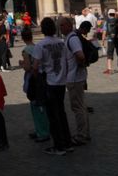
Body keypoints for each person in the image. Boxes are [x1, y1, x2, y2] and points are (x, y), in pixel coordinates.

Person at [33, 17, 71, 156]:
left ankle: (59, 147)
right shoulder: (62, 43)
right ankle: (68, 143)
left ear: (42, 29)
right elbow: (67, 61)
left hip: (49, 83)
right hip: (61, 82)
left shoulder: (40, 45)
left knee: (52, 116)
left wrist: (37, 77)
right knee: (61, 113)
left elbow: (36, 67)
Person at [19, 27, 49, 143]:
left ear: (23, 38)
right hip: (41, 78)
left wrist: (22, 63)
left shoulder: (26, 51)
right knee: (42, 105)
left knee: (36, 106)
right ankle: (42, 129)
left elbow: (27, 67)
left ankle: (41, 132)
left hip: (32, 79)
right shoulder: (37, 47)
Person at [62, 18, 89, 146]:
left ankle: (81, 135)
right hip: (76, 77)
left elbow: (80, 56)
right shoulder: (70, 38)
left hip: (74, 78)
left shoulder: (72, 39)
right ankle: (85, 133)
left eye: (62, 25)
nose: (60, 28)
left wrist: (79, 68)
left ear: (68, 26)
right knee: (81, 106)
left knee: (77, 107)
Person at [102, 9, 117, 74]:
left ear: (108, 14)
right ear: (114, 14)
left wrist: (103, 41)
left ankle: (109, 69)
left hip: (110, 39)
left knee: (109, 53)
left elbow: (104, 31)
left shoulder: (106, 21)